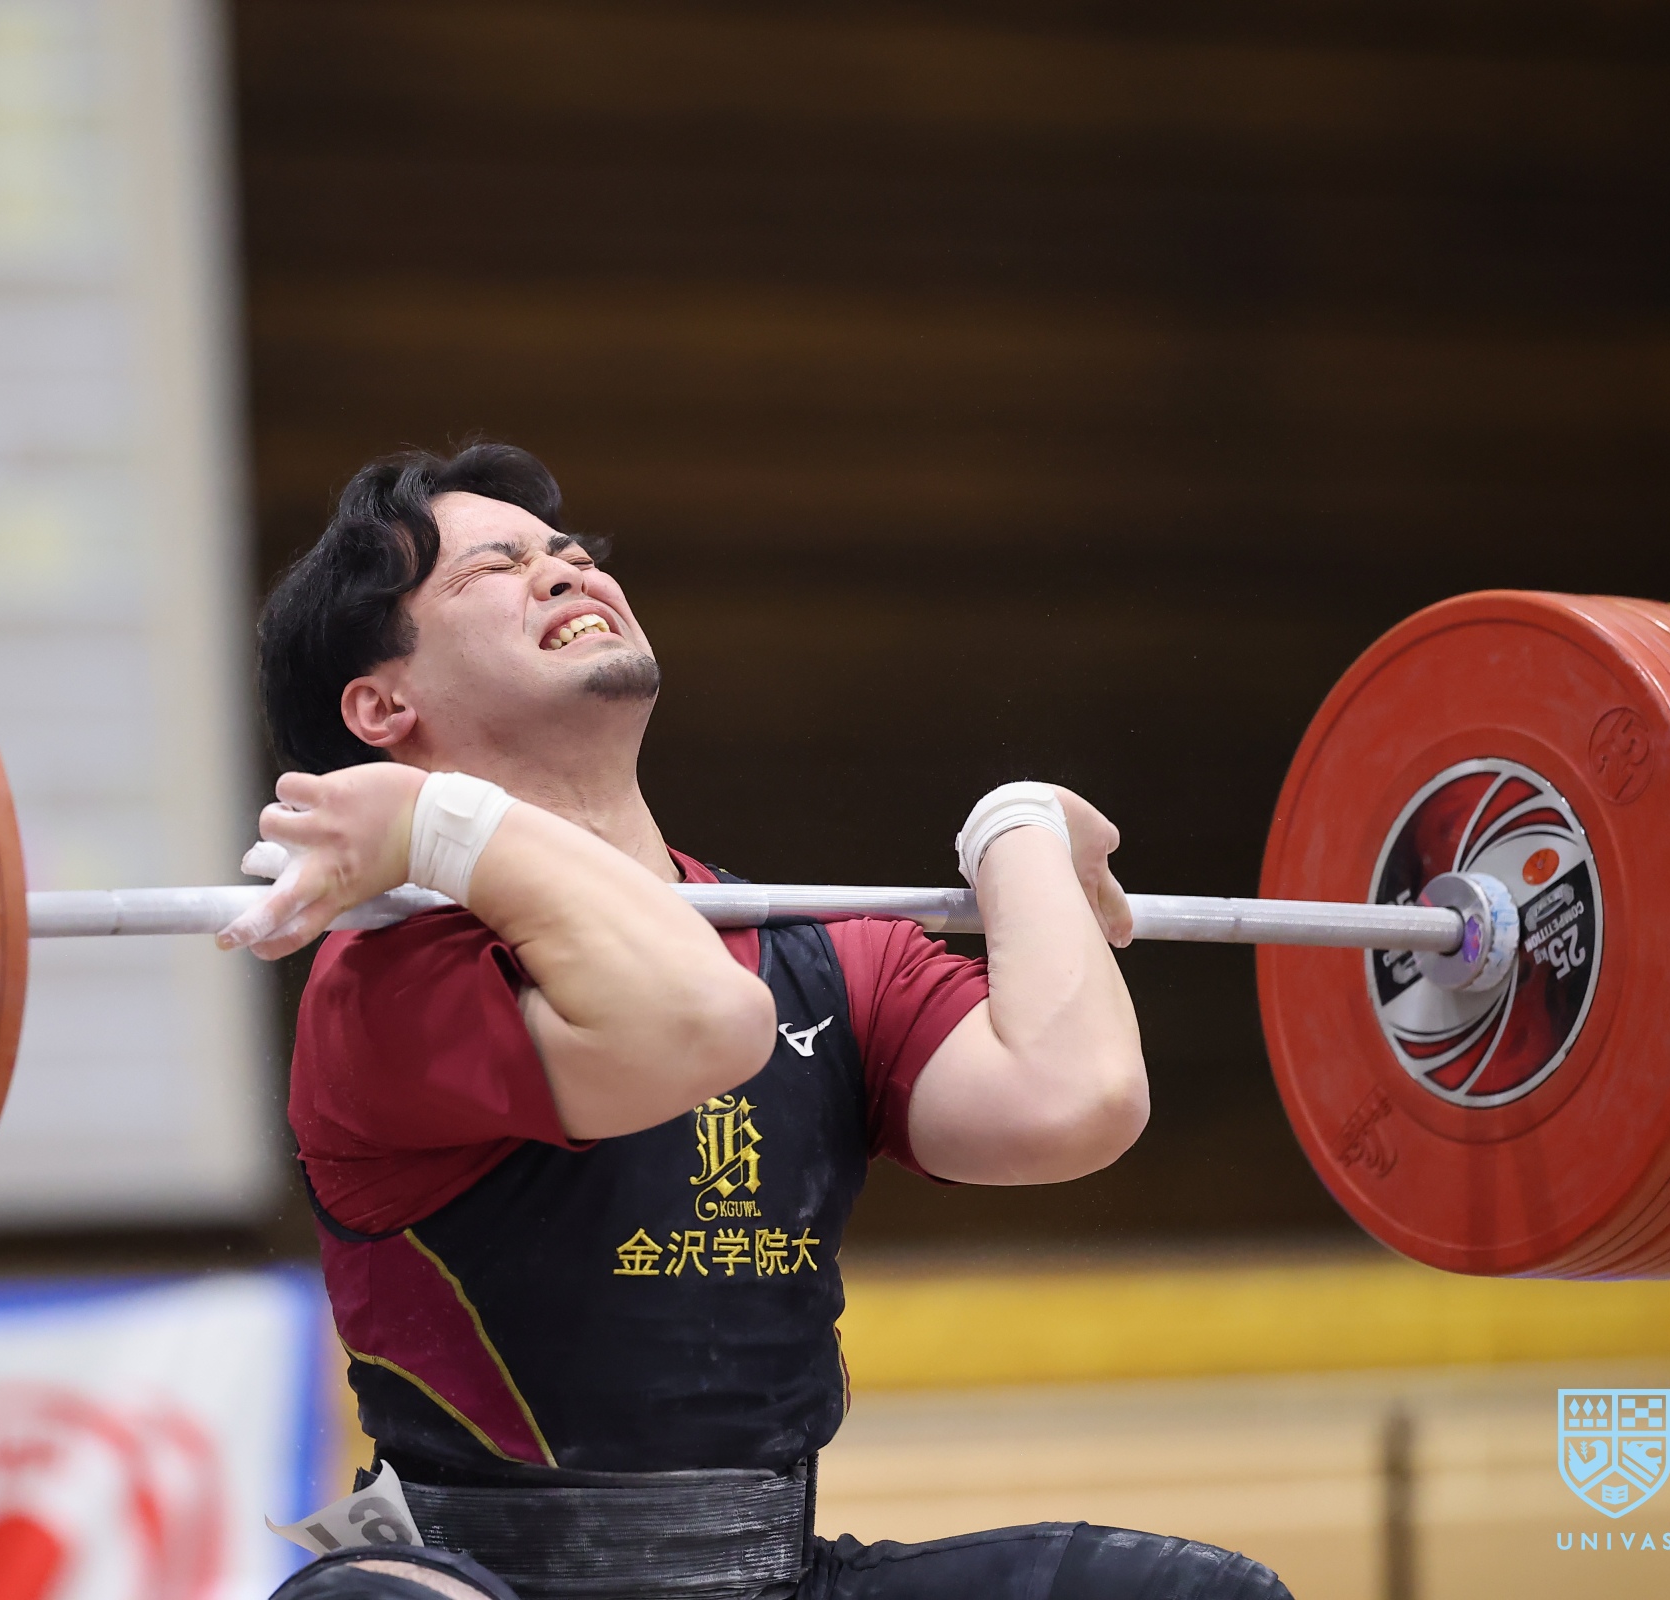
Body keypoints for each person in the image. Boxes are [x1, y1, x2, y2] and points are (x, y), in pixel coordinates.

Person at [234, 443, 1292, 1600]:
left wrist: (1017, 829)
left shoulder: (822, 952)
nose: (568, 568)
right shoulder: (385, 980)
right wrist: (443, 830)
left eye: (569, 550)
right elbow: (701, 1023)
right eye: (497, 565)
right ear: (382, 705)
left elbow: (1074, 1100)